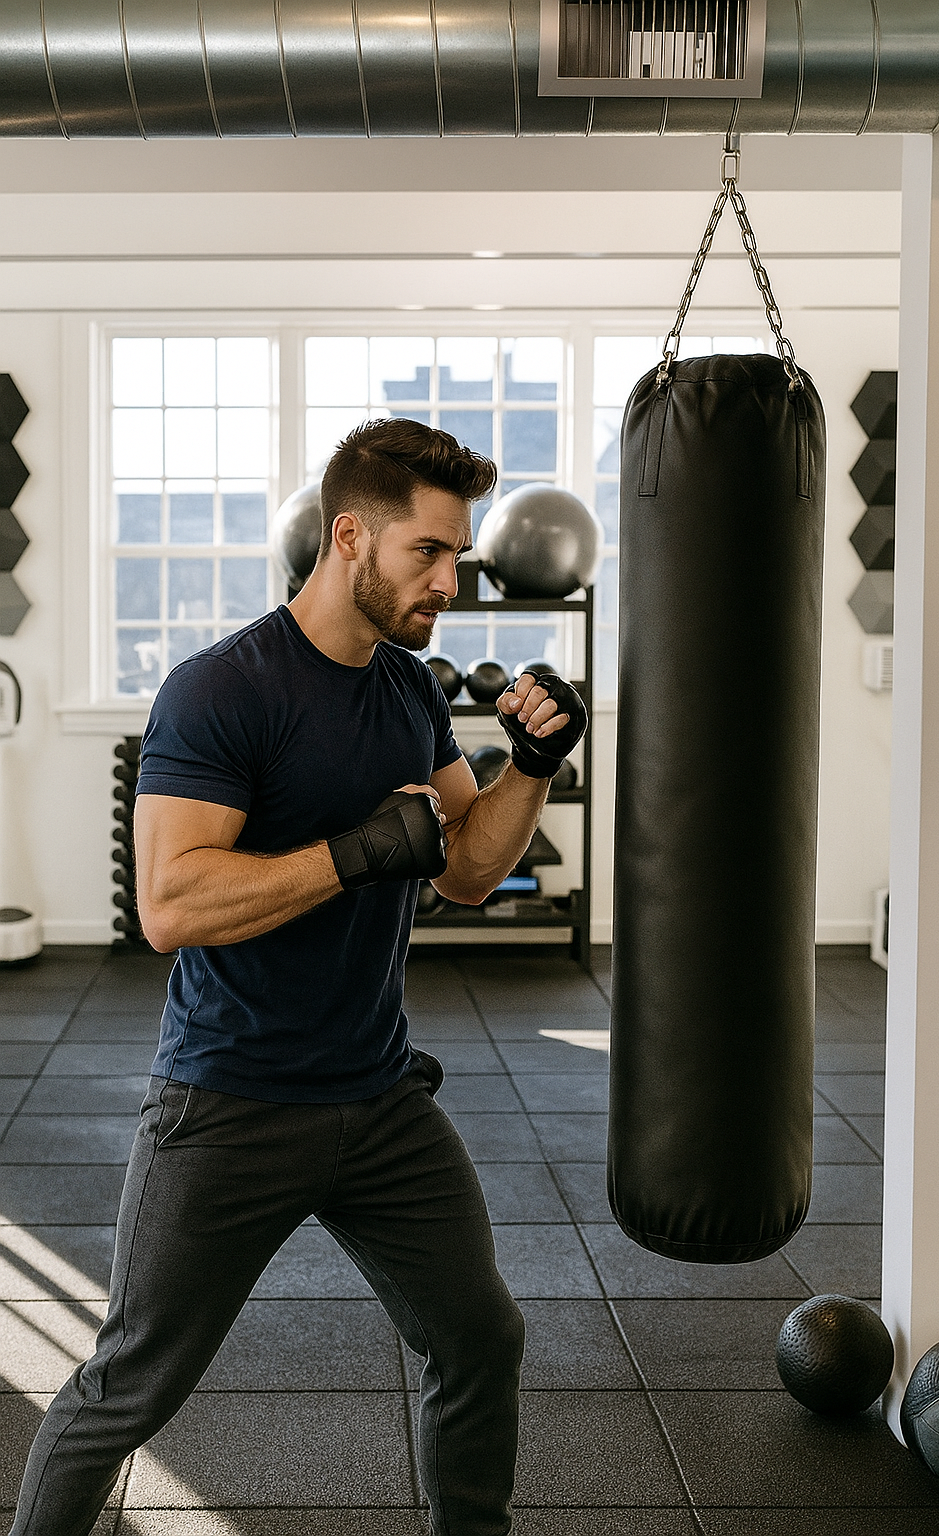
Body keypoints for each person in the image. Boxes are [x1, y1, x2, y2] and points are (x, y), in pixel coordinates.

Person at [8, 418, 588, 1536]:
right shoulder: (222, 691)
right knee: (128, 1384)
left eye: (459, 555)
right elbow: (171, 905)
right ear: (350, 538)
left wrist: (531, 766)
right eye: (428, 552)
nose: (451, 582)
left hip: (377, 1103)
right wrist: (355, 852)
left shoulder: (411, 693)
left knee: (479, 1336)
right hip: (230, 1103)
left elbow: (466, 869)